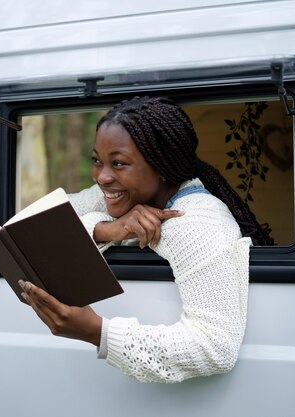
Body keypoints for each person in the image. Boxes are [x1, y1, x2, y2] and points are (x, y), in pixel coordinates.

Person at [18, 96, 273, 383]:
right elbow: (31, 223)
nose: (102, 177)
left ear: (162, 165)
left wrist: (96, 331)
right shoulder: (117, 197)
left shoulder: (195, 224)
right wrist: (106, 229)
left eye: (118, 163)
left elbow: (215, 346)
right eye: (97, 161)